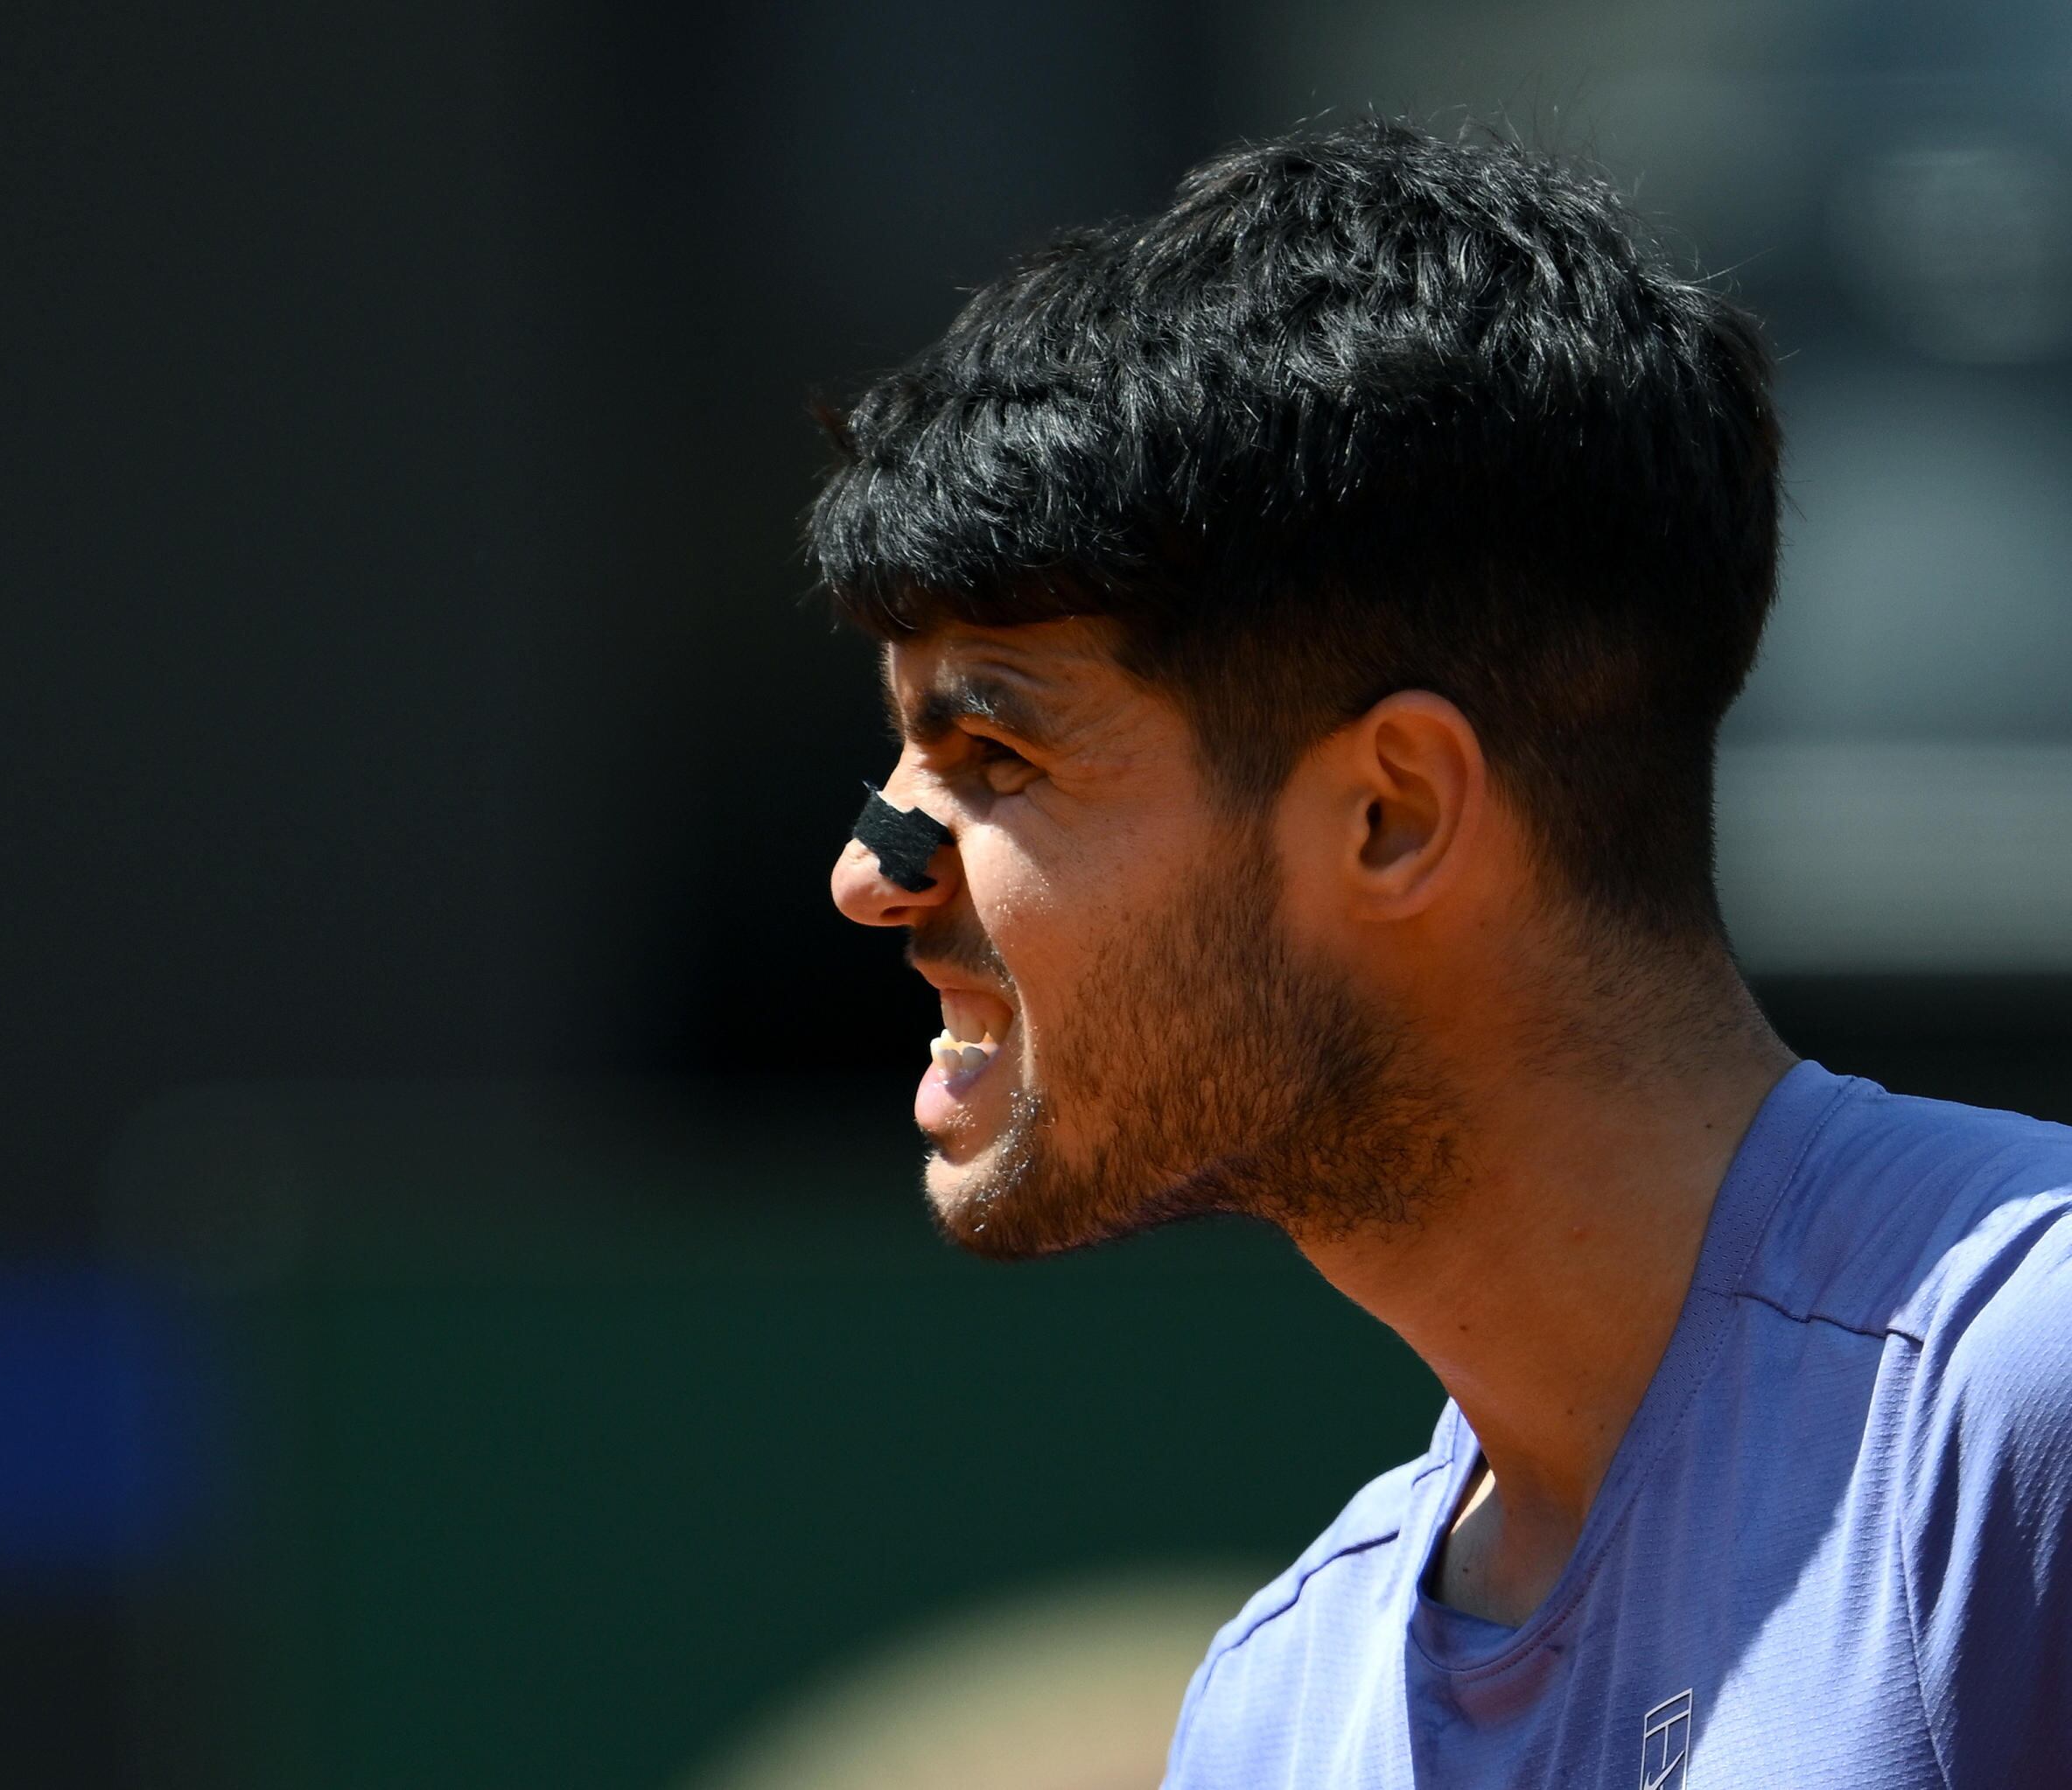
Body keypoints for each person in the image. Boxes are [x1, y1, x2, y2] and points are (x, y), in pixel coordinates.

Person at [813, 116, 2072, 1787]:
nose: (868, 876)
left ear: (1393, 813)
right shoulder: (1276, 1709)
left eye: (997, 759)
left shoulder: (2026, 1399)